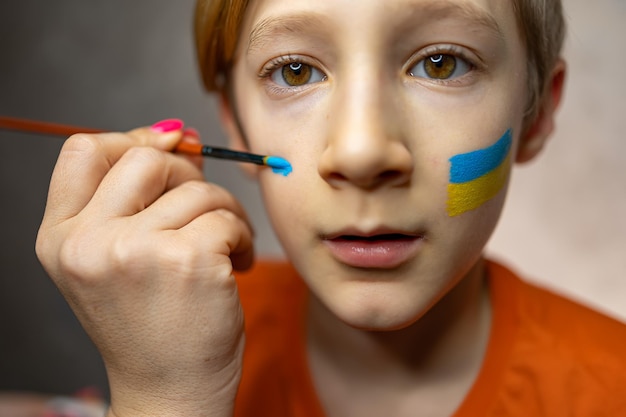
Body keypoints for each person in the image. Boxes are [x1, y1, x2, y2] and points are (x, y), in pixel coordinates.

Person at [35, 0, 626, 416]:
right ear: (234, 125)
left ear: (538, 113)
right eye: (296, 71)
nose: (363, 152)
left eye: (442, 63)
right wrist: (163, 399)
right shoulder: (167, 338)